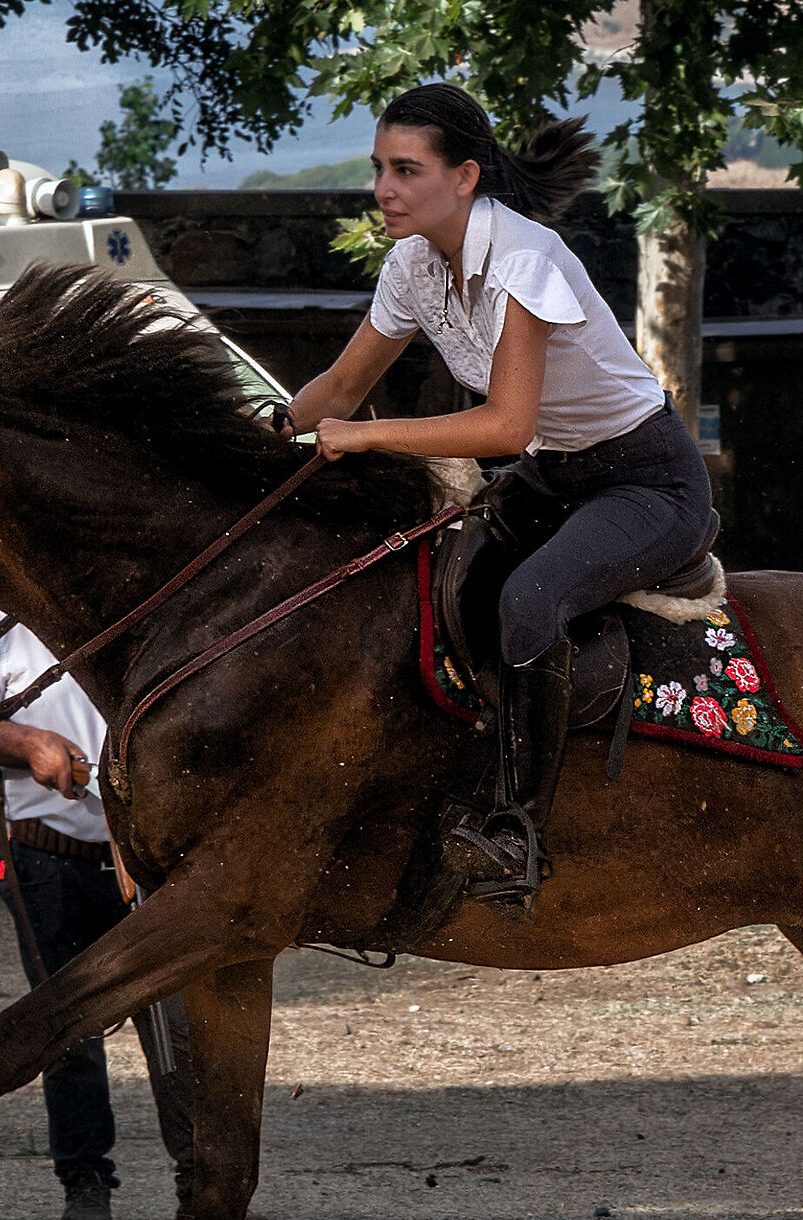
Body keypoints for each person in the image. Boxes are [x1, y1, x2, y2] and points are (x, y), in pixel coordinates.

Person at [282, 83, 715, 913]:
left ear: (466, 177)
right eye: (379, 169)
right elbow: (338, 385)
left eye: (406, 171)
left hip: (645, 478)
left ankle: (518, 832)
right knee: (428, 578)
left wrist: (371, 436)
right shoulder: (411, 262)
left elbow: (507, 426)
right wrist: (261, 435)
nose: (383, 189)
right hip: (559, 476)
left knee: (530, 599)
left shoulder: (524, 257)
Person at [0, 608, 197, 1220]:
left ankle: (201, 1182)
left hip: (154, 852)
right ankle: (84, 1182)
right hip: (48, 856)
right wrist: (27, 743)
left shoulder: (156, 599)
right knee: (67, 1029)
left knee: (176, 1024)